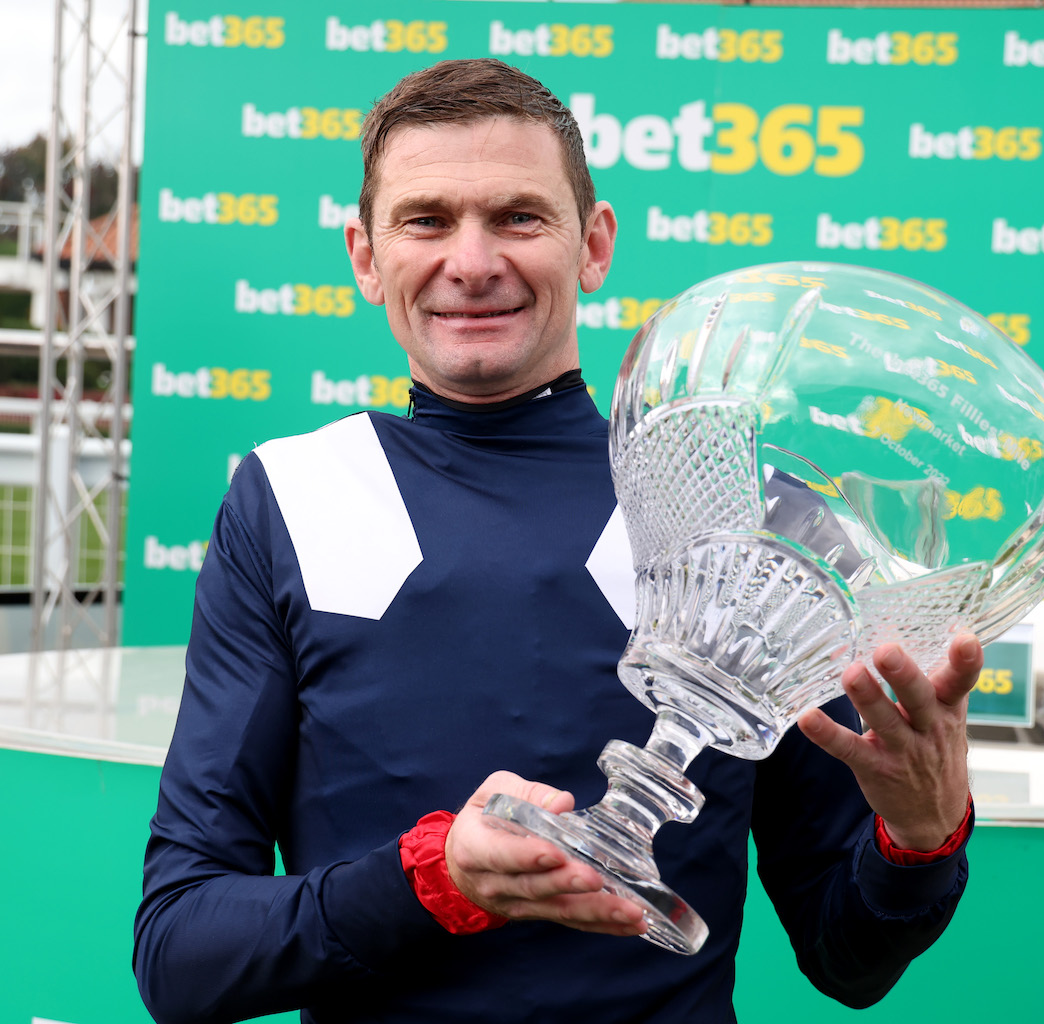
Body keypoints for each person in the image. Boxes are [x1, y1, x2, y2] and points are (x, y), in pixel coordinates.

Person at [134, 58, 980, 1024]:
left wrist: (919, 838)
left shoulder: (754, 521)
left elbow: (849, 956)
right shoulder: (289, 496)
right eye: (427, 220)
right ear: (366, 256)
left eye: (519, 217)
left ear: (595, 243)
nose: (473, 260)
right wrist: (430, 881)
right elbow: (181, 952)